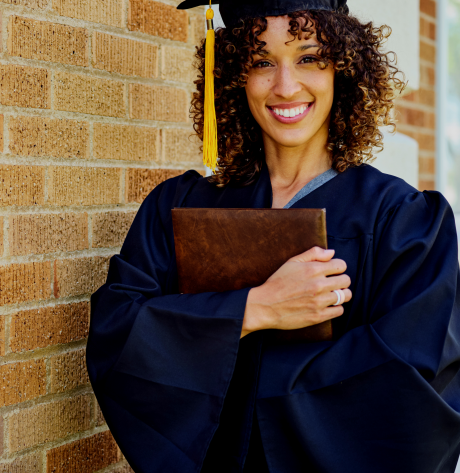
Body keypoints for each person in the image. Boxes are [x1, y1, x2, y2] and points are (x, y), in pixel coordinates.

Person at [86, 1, 460, 472]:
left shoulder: (402, 220)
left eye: (308, 57)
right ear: (234, 77)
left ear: (342, 69)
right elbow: (117, 337)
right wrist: (256, 308)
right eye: (262, 62)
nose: (285, 86)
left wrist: (225, 365)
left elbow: (416, 385)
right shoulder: (178, 206)